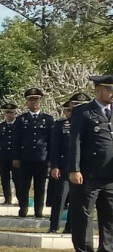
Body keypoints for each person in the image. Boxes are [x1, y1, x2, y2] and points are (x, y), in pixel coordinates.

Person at [65, 75, 113, 252]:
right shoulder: (84, 112)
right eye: (109, 90)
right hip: (87, 173)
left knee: (109, 213)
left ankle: (107, 249)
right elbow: (74, 143)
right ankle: (84, 251)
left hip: (109, 174)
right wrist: (73, 169)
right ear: (99, 89)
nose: (112, 94)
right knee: (83, 213)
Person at [47, 93, 86, 235]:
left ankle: (70, 227)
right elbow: (55, 147)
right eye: (73, 106)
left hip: (83, 168)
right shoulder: (61, 125)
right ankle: (53, 226)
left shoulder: (88, 123)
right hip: (64, 166)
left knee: (76, 200)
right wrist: (55, 166)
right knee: (60, 198)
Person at [12, 88, 53, 218]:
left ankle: (38, 211)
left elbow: (51, 141)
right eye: (31, 100)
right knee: (24, 186)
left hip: (42, 159)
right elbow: (16, 140)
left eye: (36, 99)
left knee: (40, 187)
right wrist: (16, 157)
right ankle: (23, 209)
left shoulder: (48, 119)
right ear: (27, 102)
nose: (34, 102)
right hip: (25, 159)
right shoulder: (20, 119)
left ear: (40, 101)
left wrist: (51, 159)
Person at [0, 102, 18, 206]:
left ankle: (20, 198)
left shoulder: (19, 126)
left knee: (17, 179)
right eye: (7, 112)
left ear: (15, 113)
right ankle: (7, 199)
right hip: (3, 157)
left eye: (11, 112)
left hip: (16, 157)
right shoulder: (1, 127)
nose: (9, 115)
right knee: (4, 179)